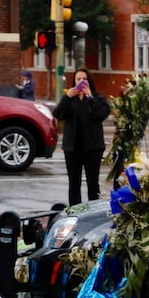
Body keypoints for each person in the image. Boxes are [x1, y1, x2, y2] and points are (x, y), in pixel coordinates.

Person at [53, 68, 111, 205]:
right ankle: (75, 211)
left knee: (93, 183)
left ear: (89, 81)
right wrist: (66, 97)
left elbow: (101, 115)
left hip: (92, 147)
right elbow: (58, 114)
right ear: (74, 81)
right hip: (72, 147)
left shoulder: (98, 98)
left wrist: (90, 97)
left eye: (84, 79)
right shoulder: (69, 99)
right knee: (74, 183)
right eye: (78, 79)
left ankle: (93, 211)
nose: (81, 82)